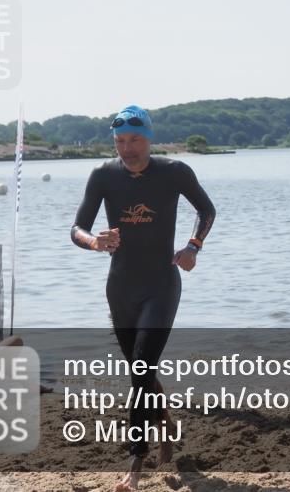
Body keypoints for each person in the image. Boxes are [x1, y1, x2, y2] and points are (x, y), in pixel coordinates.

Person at [71, 105, 216, 491]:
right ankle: (166, 421)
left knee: (139, 369)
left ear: (149, 138)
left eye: (135, 139)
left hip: (161, 285)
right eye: (120, 141)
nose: (127, 148)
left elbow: (206, 209)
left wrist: (193, 247)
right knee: (142, 370)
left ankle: (134, 465)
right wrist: (94, 241)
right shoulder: (103, 176)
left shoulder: (174, 172)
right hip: (120, 286)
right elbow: (77, 228)